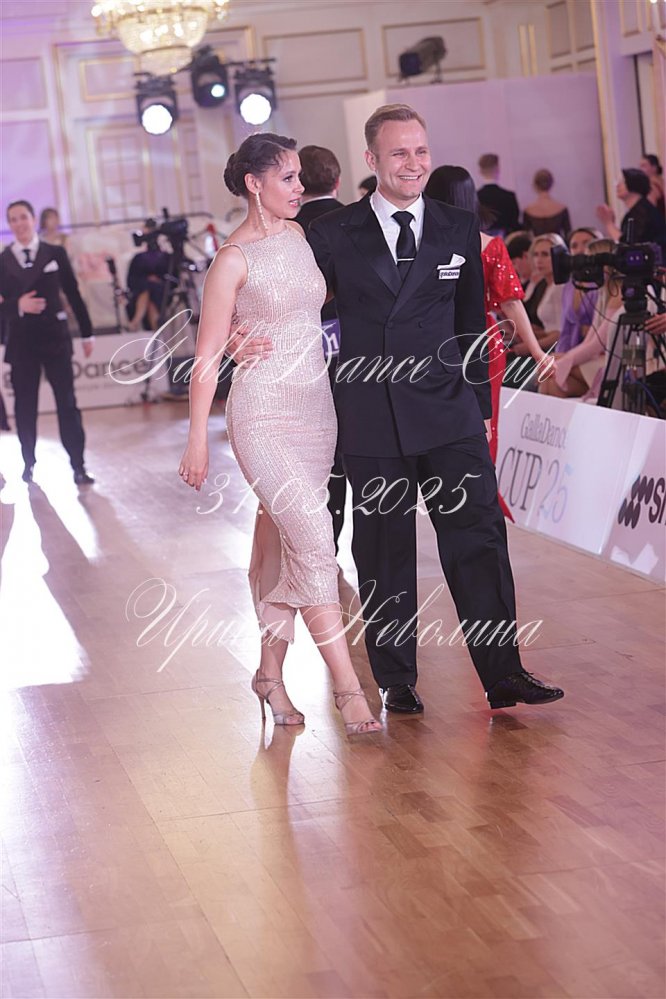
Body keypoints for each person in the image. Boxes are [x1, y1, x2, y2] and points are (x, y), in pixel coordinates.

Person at [302, 104, 563, 714]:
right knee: (383, 549)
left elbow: (471, 322)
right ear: (372, 159)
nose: (413, 163)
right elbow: (298, 308)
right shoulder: (335, 232)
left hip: (449, 414)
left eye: (420, 151)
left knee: (480, 540)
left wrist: (478, 406)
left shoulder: (456, 226)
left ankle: (504, 673)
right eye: (399, 153)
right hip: (370, 416)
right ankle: (396, 678)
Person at [177, 133, 381, 737]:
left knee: (282, 547)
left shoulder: (297, 237)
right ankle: (348, 688)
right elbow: (206, 355)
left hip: (317, 412)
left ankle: (269, 674)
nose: (299, 186)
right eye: (288, 177)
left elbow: (306, 308)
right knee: (316, 540)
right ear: (254, 183)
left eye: (298, 176)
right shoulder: (231, 260)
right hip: (262, 414)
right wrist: (196, 438)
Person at [424, 165, 553, 478]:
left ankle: (466, 489)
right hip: (482, 342)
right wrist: (537, 351)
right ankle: (482, 487)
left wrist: (537, 351)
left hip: (435, 340)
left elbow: (511, 302)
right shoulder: (488, 245)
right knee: (485, 423)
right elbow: (511, 303)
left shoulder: (422, 245)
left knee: (449, 423)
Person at [0, 200, 95, 484]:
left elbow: (73, 293)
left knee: (67, 403)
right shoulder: (3, 259)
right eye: (13, 219)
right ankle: (28, 464)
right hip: (21, 343)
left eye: (23, 217)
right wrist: (18, 305)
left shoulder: (55, 253)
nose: (19, 223)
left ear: (33, 219)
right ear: (9, 224)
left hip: (55, 340)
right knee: (24, 407)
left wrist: (87, 332)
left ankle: (78, 465)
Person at [295, 145, 347, 551]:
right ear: (338, 181)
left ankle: (322, 550)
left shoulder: (286, 230)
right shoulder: (360, 221)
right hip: (363, 359)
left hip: (304, 358)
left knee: (317, 463)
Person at [540, 238, 624, 400]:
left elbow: (596, 345)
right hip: (598, 359)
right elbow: (590, 341)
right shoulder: (604, 291)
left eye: (589, 261)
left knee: (551, 373)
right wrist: (563, 358)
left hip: (614, 363)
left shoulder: (619, 292)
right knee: (550, 381)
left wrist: (563, 360)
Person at [596, 169, 666, 251]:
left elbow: (629, 246)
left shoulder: (642, 211)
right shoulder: (639, 210)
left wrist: (608, 223)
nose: (617, 185)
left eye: (623, 182)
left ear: (634, 183)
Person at [125, 219, 170, 332]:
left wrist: (158, 280)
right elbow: (132, 280)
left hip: (163, 289)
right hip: (143, 288)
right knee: (148, 290)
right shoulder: (139, 258)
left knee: (151, 290)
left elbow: (172, 275)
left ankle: (136, 320)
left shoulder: (165, 257)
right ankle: (156, 330)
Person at [476, 153, 520, 236]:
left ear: (480, 171)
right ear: (497, 169)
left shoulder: (474, 198)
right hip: (506, 241)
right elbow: (514, 225)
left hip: (483, 242)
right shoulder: (509, 197)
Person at [523, 168, 571, 239]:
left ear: (535, 185)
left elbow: (525, 238)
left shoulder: (528, 210)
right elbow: (568, 236)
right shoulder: (562, 208)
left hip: (538, 245)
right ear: (551, 184)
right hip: (557, 245)